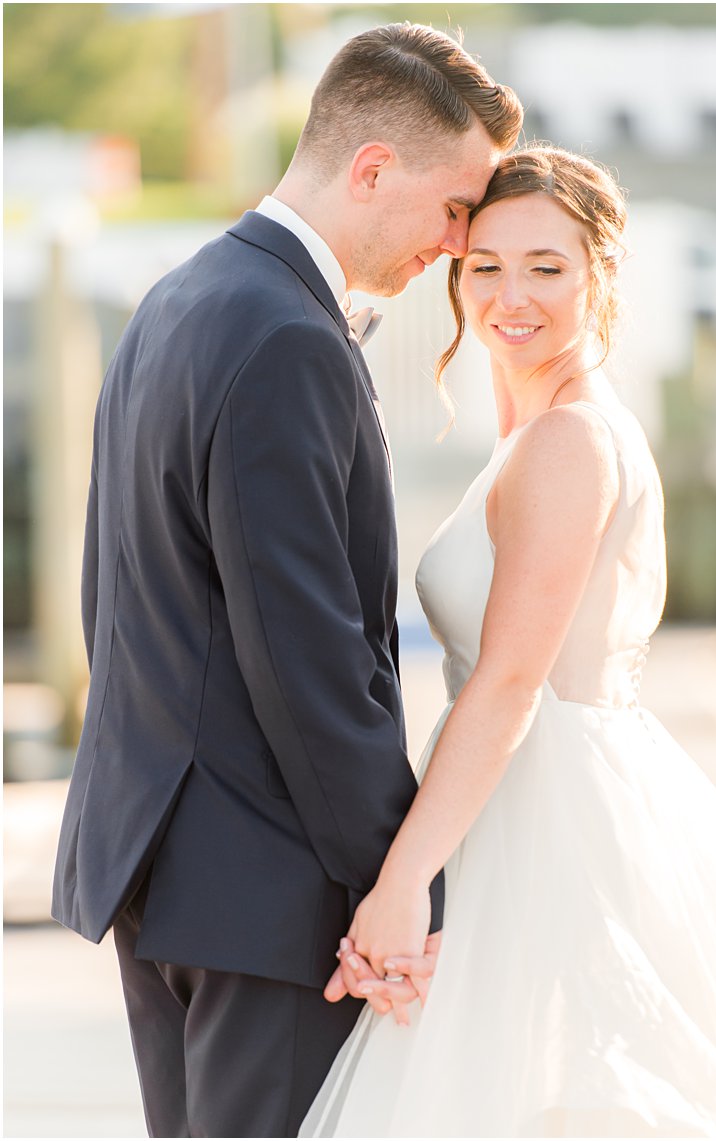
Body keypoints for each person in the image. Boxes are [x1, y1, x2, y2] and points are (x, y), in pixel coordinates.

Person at [50, 25, 520, 1136]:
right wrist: (397, 888)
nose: (458, 247)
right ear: (371, 169)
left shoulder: (180, 296)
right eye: (455, 209)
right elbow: (305, 657)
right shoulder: (288, 339)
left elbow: (113, 595)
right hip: (263, 889)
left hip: (157, 863)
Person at [299, 146, 716, 1137]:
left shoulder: (568, 440)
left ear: (599, 272)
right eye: (487, 266)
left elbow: (510, 681)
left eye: (546, 266)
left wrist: (398, 884)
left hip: (550, 806)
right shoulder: (538, 427)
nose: (512, 295)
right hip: (515, 792)